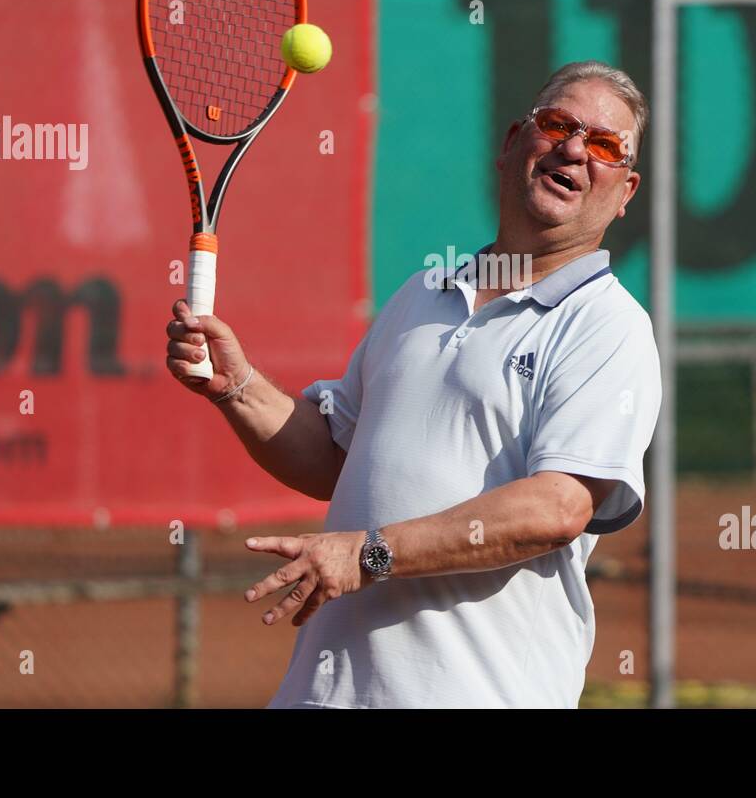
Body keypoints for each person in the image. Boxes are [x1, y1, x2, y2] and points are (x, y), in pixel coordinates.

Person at [165, 60, 661, 707]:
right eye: (558, 123)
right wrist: (238, 387)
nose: (573, 148)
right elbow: (333, 459)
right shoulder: (423, 293)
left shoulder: (609, 326)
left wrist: (367, 555)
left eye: (603, 145)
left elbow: (557, 509)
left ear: (625, 192)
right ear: (514, 142)